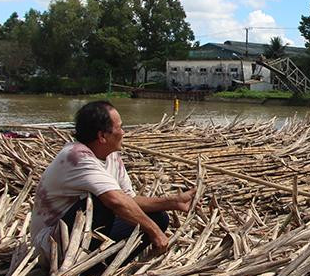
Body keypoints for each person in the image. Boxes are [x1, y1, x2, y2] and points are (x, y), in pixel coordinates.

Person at [30, 100, 194, 266]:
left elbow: (129, 199)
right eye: (120, 128)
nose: (123, 132)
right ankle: (77, 265)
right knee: (100, 203)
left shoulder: (112, 156)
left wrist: (173, 202)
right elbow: (116, 201)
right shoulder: (76, 157)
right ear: (102, 136)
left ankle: (99, 264)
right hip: (52, 247)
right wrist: (154, 232)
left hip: (84, 234)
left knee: (159, 218)